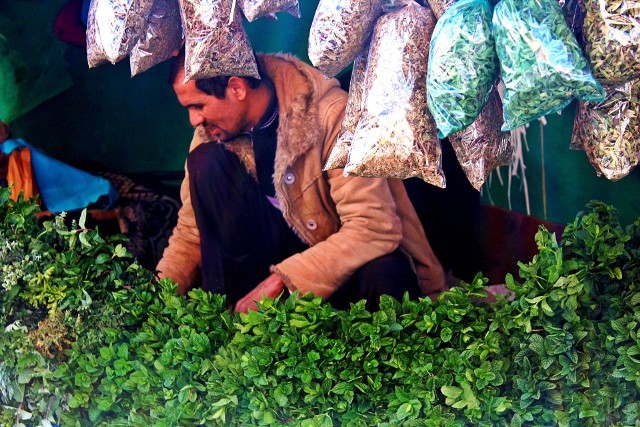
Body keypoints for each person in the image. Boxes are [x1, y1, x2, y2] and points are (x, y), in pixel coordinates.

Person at [156, 50, 447, 313]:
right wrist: (156, 298)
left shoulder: (332, 114)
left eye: (198, 106)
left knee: (387, 275)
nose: (194, 120)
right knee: (206, 163)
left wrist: (282, 281)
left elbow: (373, 227)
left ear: (236, 87)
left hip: (335, 266)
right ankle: (234, 327)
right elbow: (192, 232)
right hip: (262, 272)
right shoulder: (213, 132)